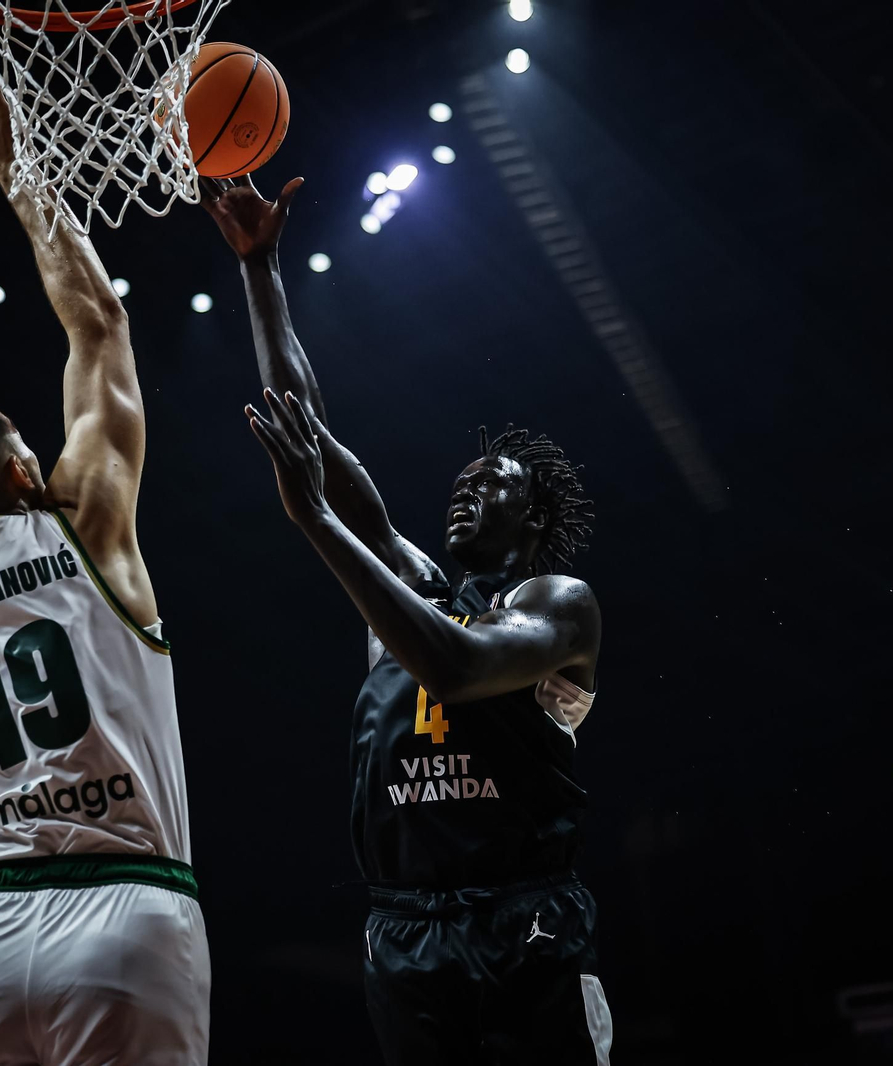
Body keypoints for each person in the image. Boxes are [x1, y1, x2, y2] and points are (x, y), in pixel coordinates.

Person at [203, 176, 613, 1065]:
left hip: (524, 914)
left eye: (494, 481)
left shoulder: (558, 606)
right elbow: (303, 424)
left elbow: (457, 671)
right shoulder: (410, 577)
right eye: (463, 478)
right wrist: (261, 269)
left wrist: (316, 522)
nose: (468, 485)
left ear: (532, 518)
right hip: (403, 923)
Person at [0, 63, 208, 1065]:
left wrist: (12, 852)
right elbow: (99, 325)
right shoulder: (85, 528)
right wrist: (23, 176)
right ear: (22, 468)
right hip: (129, 915)